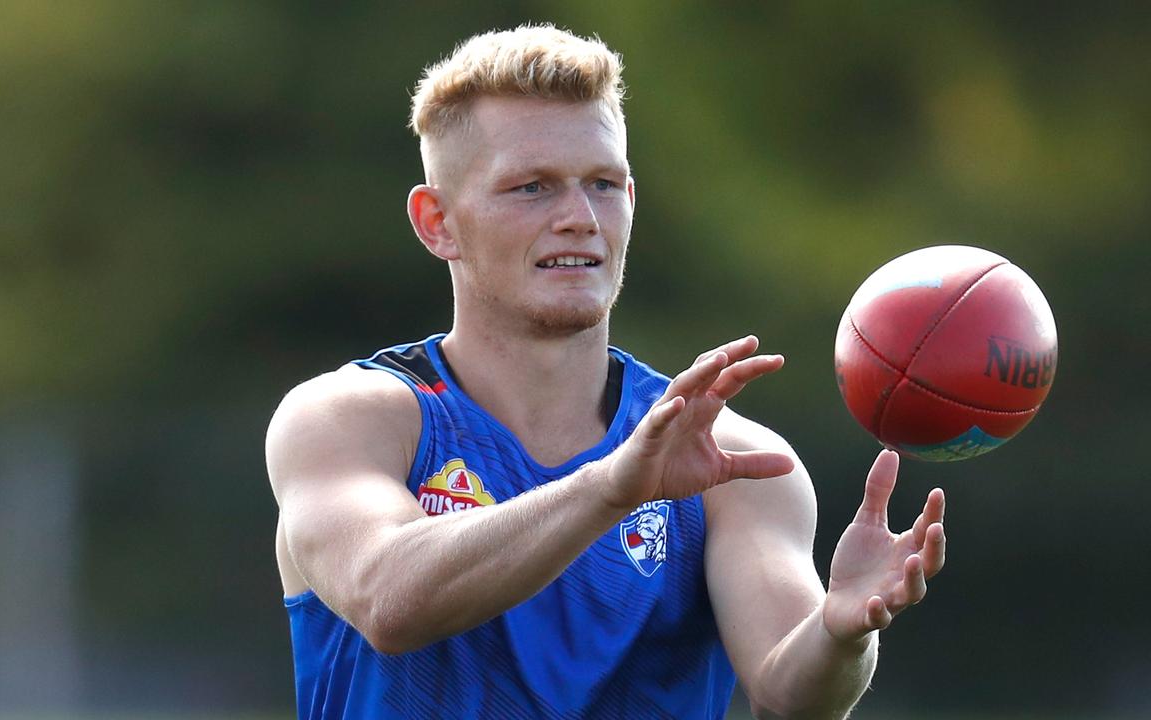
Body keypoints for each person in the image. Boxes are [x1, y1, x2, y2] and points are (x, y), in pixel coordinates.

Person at [265, 24, 946, 720]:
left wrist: (841, 634)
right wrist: (610, 488)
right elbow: (389, 598)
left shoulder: (730, 461)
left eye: (602, 184)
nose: (580, 218)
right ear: (437, 221)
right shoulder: (351, 420)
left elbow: (788, 694)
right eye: (531, 188)